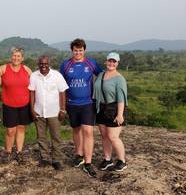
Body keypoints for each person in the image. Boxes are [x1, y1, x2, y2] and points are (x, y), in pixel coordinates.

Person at [60, 38, 102, 177]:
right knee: (76, 130)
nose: (78, 52)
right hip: (71, 104)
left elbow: (102, 76)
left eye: (80, 50)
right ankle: (79, 155)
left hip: (87, 103)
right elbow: (60, 85)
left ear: (84, 50)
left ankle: (88, 163)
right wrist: (61, 105)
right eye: (75, 50)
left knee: (88, 132)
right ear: (72, 51)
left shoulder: (90, 63)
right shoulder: (66, 65)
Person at [29, 55, 68, 170]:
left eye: (45, 64)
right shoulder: (34, 76)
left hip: (54, 112)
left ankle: (57, 159)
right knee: (41, 137)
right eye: (41, 64)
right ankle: (45, 158)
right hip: (39, 111)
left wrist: (62, 109)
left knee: (56, 137)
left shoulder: (57, 75)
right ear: (38, 64)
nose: (43, 66)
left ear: (49, 64)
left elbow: (62, 92)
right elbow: (32, 93)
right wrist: (32, 109)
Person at [93, 52, 128, 172]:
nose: (111, 63)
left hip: (114, 109)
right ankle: (107, 159)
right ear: (106, 61)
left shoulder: (119, 79)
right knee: (104, 136)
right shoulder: (101, 74)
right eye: (110, 61)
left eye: (114, 61)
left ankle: (122, 160)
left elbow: (121, 98)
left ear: (118, 63)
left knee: (113, 137)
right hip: (101, 107)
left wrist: (120, 114)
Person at [0, 47, 32, 162]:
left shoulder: (26, 69)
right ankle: (8, 152)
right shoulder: (3, 69)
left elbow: (35, 83)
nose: (16, 58)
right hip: (9, 104)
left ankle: (19, 152)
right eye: (14, 56)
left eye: (18, 56)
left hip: (24, 104)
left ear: (22, 58)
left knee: (21, 128)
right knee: (10, 131)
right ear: (11, 57)